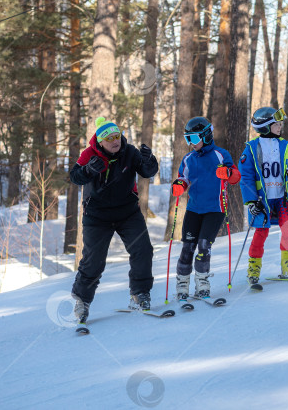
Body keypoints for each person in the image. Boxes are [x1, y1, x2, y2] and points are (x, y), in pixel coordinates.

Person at [69, 117, 159, 323]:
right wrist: (88, 170)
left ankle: (140, 293)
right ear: (100, 141)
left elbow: (148, 172)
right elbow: (75, 177)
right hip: (97, 216)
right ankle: (82, 301)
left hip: (128, 212)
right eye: (109, 138)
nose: (115, 141)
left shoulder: (130, 152)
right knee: (94, 260)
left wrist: (149, 160)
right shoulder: (89, 154)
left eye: (117, 136)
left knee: (143, 250)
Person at [171, 116, 241, 301]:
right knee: (187, 247)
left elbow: (235, 176)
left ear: (206, 135)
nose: (191, 143)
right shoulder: (188, 158)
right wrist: (180, 185)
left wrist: (227, 173)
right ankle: (182, 285)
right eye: (188, 139)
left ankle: (202, 283)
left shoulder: (221, 154)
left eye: (194, 138)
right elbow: (183, 178)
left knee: (203, 246)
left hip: (215, 209)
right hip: (194, 209)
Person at [238, 107, 288, 285]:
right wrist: (251, 201)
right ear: (265, 127)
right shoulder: (251, 148)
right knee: (261, 232)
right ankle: (254, 266)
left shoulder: (285, 146)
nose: (280, 127)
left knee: (287, 228)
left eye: (280, 124)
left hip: (282, 197)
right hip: (262, 200)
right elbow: (245, 177)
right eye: (276, 124)